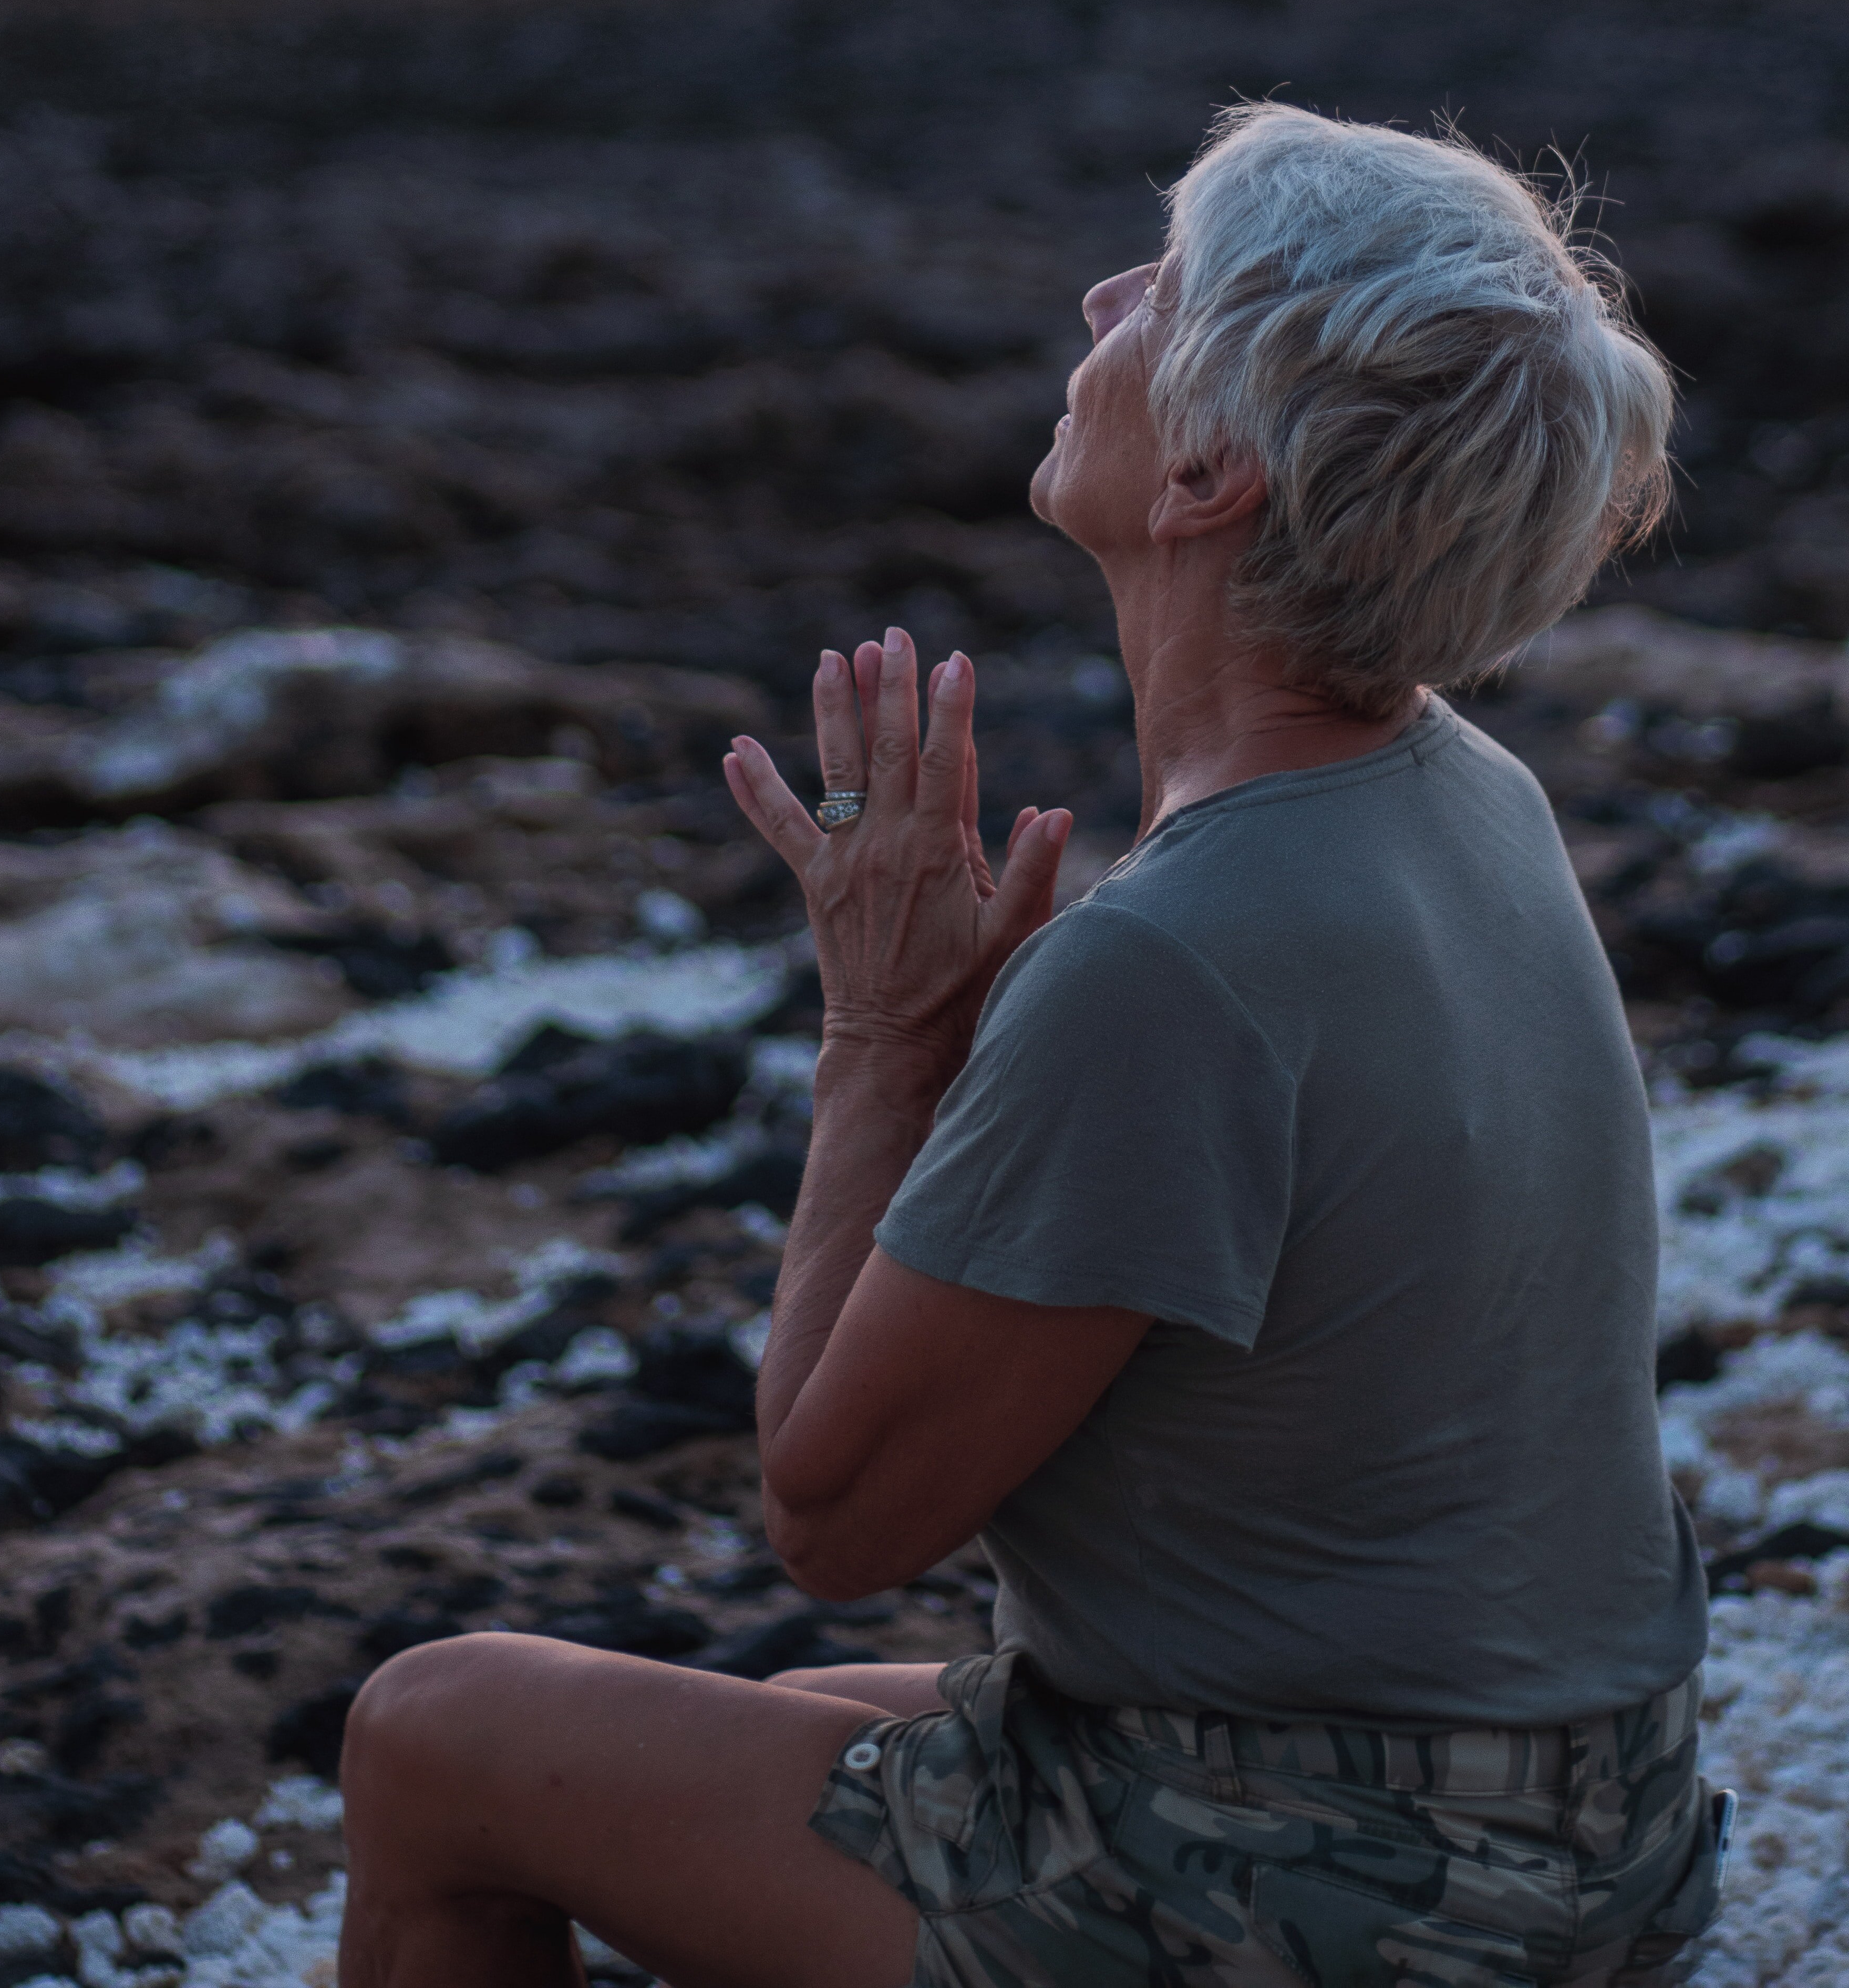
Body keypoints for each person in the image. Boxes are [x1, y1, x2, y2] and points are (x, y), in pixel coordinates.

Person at [338, 105, 1722, 1988]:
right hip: (1587, 1819)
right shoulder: (1469, 793)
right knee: (771, 1716)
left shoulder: (1170, 959)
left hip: (1365, 1899)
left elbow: (832, 1511)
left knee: (438, 1733)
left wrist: (887, 1039)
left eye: (1162, 283)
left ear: (1214, 468)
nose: (1101, 295)